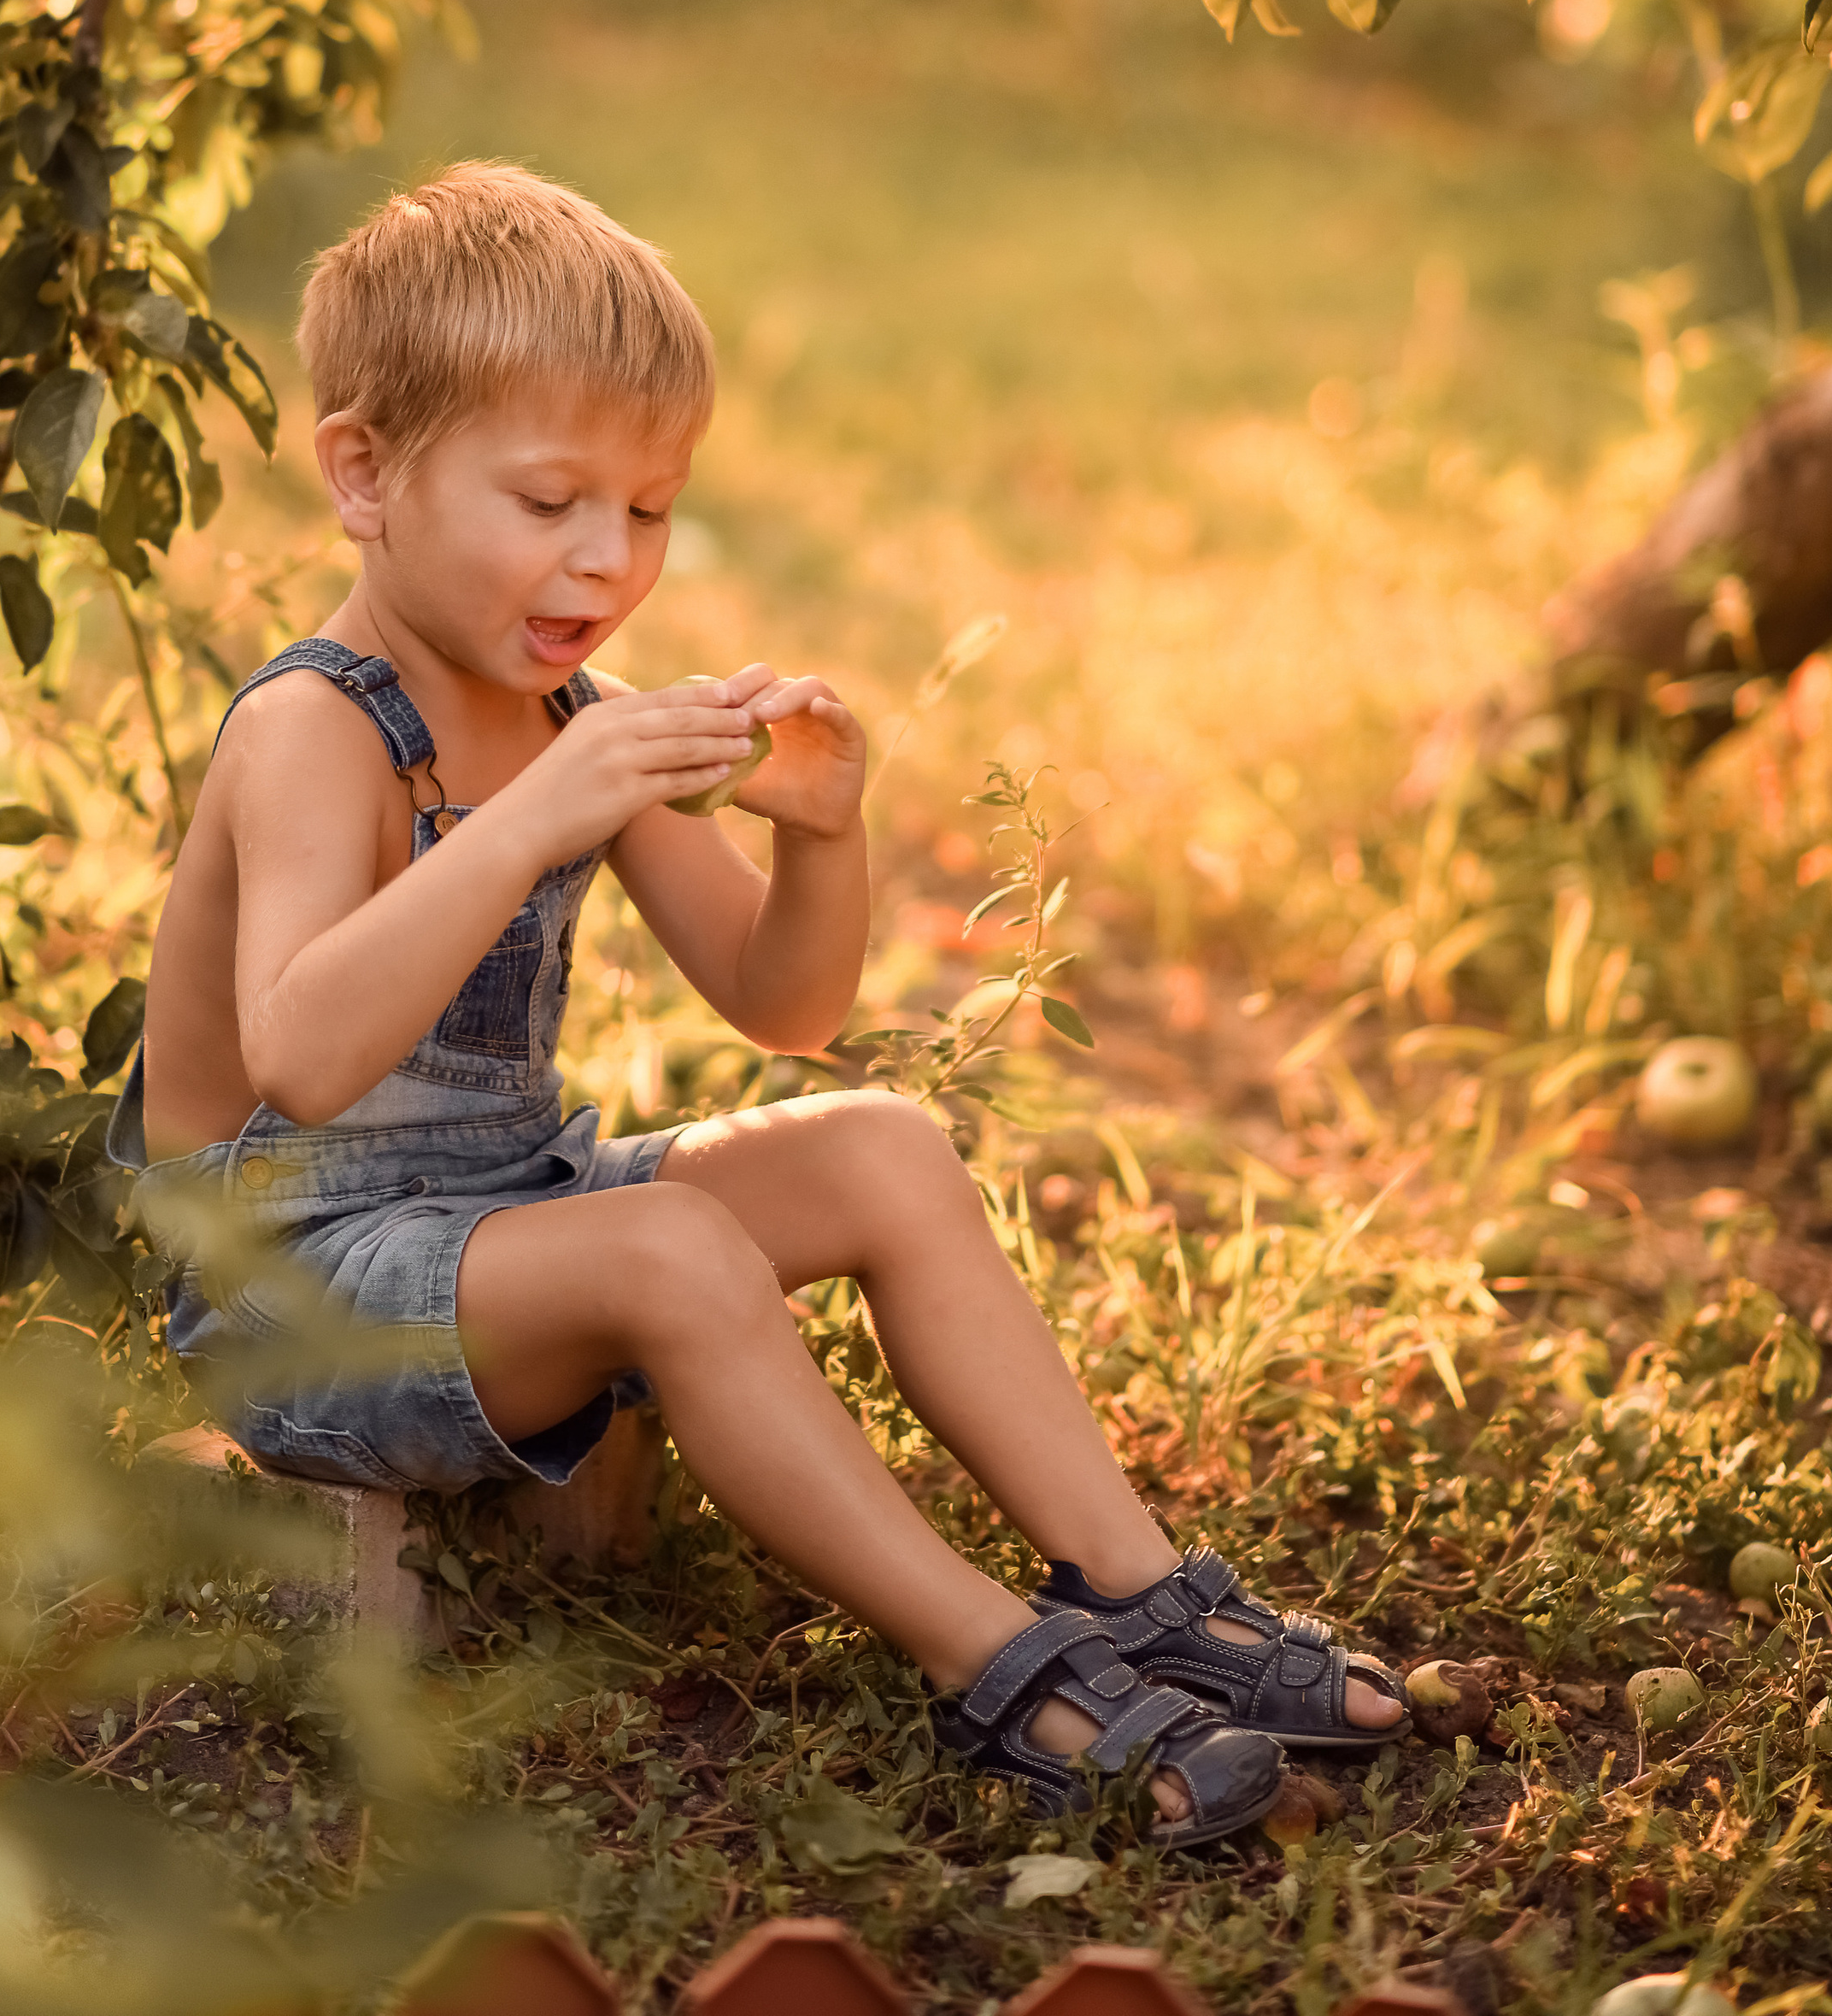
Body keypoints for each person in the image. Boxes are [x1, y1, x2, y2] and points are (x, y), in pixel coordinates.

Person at [114, 161, 1401, 1839]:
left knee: (872, 1144)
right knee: (666, 1250)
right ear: (362, 474)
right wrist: (533, 817)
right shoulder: (315, 729)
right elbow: (298, 1051)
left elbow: (782, 1008)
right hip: (295, 1300)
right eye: (549, 500)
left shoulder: (572, 709)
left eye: (644, 512)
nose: (603, 559)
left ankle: (1136, 1585)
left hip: (489, 1225)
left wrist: (820, 836)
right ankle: (994, 1664)